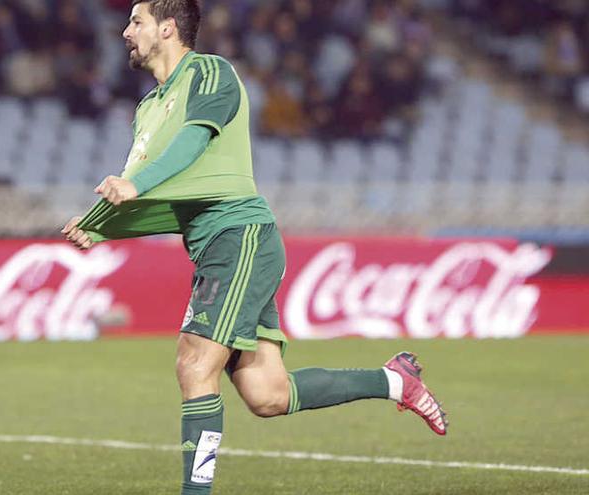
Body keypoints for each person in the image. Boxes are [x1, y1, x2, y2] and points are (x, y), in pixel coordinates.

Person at [61, 2, 448, 493]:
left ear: (167, 27)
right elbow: (165, 194)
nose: (124, 31)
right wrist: (99, 228)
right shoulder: (148, 108)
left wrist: (134, 189)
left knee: (194, 363)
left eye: (135, 21)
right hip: (215, 247)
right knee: (268, 395)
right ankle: (395, 380)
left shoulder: (208, 72)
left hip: (239, 235)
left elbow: (193, 143)